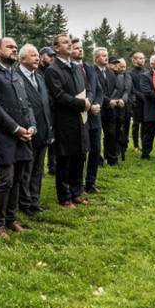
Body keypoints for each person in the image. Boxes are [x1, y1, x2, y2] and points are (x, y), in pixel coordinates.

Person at [0, 37, 36, 239]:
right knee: (6, 181)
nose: (14, 49)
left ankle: (12, 220)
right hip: (2, 136)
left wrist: (32, 126)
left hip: (22, 135)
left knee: (18, 180)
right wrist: (15, 128)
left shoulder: (16, 76)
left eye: (15, 47)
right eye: (9, 47)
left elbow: (27, 105)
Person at [44, 34, 91, 209]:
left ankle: (76, 192)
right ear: (56, 48)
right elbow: (58, 95)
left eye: (70, 42)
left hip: (80, 119)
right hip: (64, 121)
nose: (70, 45)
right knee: (65, 159)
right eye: (65, 43)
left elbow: (85, 89)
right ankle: (64, 197)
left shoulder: (77, 68)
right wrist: (81, 104)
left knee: (80, 156)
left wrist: (88, 101)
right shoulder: (52, 70)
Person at [17, 44, 52, 216]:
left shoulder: (39, 76)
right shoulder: (15, 77)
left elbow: (45, 105)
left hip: (43, 129)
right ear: (23, 59)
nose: (37, 58)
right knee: (26, 169)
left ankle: (34, 201)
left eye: (38, 55)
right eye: (33, 55)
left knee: (38, 168)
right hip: (26, 130)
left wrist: (49, 130)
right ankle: (24, 203)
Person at [72, 38, 102, 195]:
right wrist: (88, 106)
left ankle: (91, 182)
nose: (80, 50)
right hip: (80, 116)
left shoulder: (90, 68)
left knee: (95, 152)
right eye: (76, 48)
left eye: (81, 47)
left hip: (95, 117)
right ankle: (78, 185)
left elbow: (98, 89)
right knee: (81, 154)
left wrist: (97, 104)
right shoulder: (69, 69)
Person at [95, 47, 126, 167]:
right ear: (96, 58)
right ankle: (98, 160)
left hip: (111, 109)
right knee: (97, 136)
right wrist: (108, 101)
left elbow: (117, 88)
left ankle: (112, 159)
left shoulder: (111, 73)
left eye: (106, 55)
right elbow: (95, 90)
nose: (106, 57)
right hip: (98, 108)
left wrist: (117, 100)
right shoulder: (92, 72)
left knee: (111, 134)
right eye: (103, 55)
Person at [37, 46, 57, 175]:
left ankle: (52, 167)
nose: (52, 58)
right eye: (49, 56)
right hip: (40, 109)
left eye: (53, 56)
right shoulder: (36, 71)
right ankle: (39, 169)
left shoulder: (51, 71)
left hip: (52, 109)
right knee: (41, 139)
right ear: (41, 56)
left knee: (53, 138)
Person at [140, 54, 155, 160]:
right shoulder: (145, 76)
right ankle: (145, 154)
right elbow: (147, 92)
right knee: (149, 133)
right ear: (152, 63)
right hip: (151, 109)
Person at [127, 52, 146, 153]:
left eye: (143, 58)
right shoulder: (130, 73)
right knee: (136, 124)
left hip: (146, 102)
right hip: (136, 102)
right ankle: (135, 145)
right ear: (134, 60)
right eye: (139, 58)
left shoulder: (145, 71)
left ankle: (143, 144)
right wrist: (141, 96)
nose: (142, 60)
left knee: (144, 124)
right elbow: (132, 89)